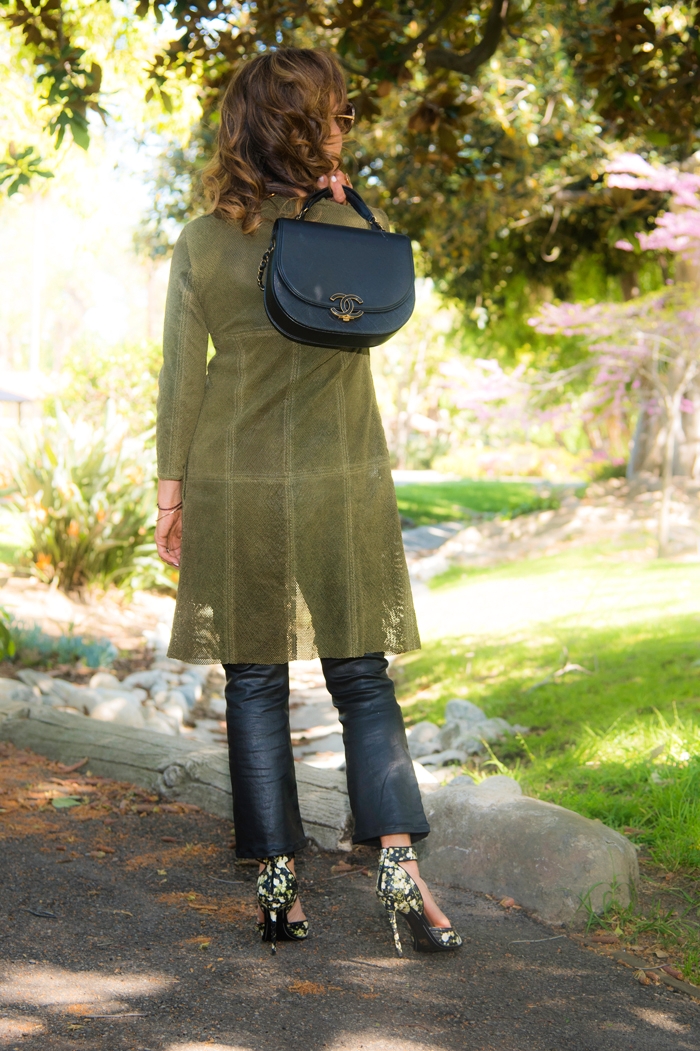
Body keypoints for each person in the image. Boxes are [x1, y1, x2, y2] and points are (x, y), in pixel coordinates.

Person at [154, 47, 461, 957]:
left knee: (253, 680)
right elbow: (381, 320)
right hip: (340, 484)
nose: (344, 126)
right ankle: (402, 876)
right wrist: (337, 197)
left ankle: (279, 890)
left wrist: (172, 496)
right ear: (306, 127)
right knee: (363, 678)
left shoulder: (203, 239)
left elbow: (181, 380)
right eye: (335, 114)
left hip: (235, 480)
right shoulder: (348, 231)